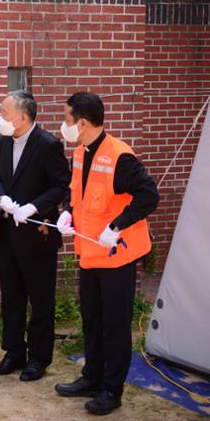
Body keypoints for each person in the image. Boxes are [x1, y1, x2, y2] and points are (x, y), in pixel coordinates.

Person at [54, 92, 159, 416]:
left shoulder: (120, 156)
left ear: (82, 122)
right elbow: (78, 194)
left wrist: (117, 225)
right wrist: (67, 213)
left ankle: (112, 389)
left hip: (118, 256)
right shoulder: (79, 153)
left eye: (68, 119)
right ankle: (92, 376)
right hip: (89, 253)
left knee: (114, 324)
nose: (65, 126)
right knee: (93, 320)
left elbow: (149, 195)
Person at [0, 90, 70, 381]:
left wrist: (34, 206)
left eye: (4, 112)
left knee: (41, 298)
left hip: (38, 234)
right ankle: (14, 351)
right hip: (8, 231)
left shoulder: (48, 145)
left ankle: (38, 358)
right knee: (11, 296)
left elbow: (61, 186)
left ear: (22, 117)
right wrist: (1, 196)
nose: (0, 118)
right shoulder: (2, 142)